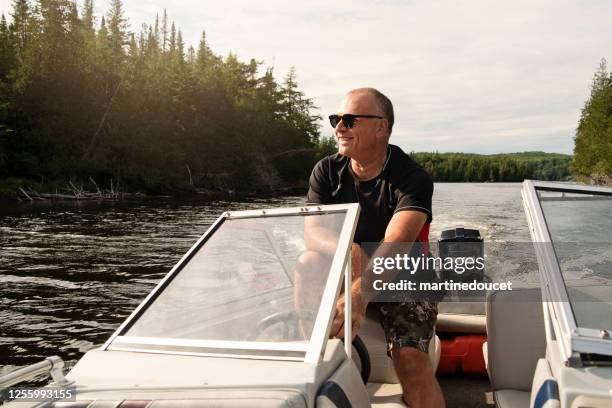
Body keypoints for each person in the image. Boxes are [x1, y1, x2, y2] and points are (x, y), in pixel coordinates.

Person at [301, 88, 444, 408]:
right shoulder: (326, 171)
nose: (339, 127)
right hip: (351, 267)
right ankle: (310, 358)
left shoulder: (412, 178)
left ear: (382, 126)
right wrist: (352, 251)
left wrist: (359, 292)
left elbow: (397, 244)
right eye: (336, 119)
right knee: (309, 262)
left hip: (408, 275)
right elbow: (313, 233)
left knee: (409, 360)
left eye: (349, 120)